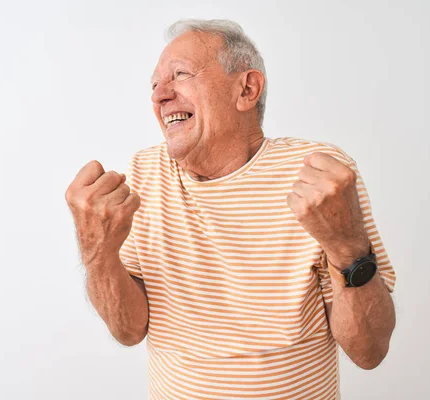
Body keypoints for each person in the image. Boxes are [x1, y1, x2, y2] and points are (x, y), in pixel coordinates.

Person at [65, 19, 396, 400]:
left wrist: (347, 246)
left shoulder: (318, 174)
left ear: (247, 89)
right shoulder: (145, 173)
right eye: (154, 85)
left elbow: (369, 351)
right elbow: (128, 330)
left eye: (180, 75)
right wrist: (97, 252)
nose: (160, 96)